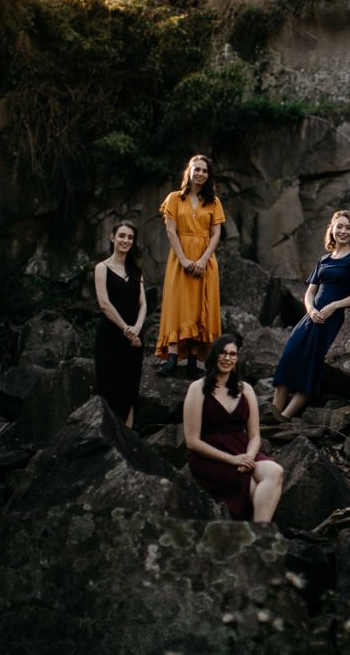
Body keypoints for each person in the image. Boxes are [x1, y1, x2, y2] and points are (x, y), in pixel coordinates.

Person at [272, 211, 350, 419]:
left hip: (330, 321)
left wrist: (334, 306)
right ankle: (272, 413)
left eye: (348, 228)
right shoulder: (324, 259)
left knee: (311, 368)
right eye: (339, 227)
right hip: (311, 318)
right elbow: (310, 292)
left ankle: (284, 419)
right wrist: (311, 310)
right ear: (332, 230)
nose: (343, 231)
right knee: (289, 357)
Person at [183, 335, 283, 521]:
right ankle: (261, 537)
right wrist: (231, 459)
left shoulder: (245, 389)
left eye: (232, 354)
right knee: (252, 488)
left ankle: (261, 535)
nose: (227, 358)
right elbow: (192, 441)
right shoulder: (197, 389)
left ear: (237, 359)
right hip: (211, 457)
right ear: (213, 356)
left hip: (242, 451)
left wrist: (249, 458)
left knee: (275, 471)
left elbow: (254, 436)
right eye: (223, 353)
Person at [155, 154, 225, 377]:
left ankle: (194, 362)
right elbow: (170, 231)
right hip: (180, 259)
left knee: (199, 307)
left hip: (205, 261)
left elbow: (216, 234)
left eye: (205, 171)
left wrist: (203, 259)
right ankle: (172, 359)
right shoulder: (175, 198)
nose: (201, 174)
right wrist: (184, 259)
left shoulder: (213, 202)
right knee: (177, 305)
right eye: (197, 170)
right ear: (189, 172)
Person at [93, 221, 147, 427]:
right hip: (110, 337)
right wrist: (126, 329)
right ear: (112, 237)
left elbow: (143, 304)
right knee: (109, 387)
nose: (126, 240)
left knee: (130, 389)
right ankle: (110, 438)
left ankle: (128, 439)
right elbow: (104, 304)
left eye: (130, 238)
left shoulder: (136, 271)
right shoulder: (102, 268)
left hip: (134, 338)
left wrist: (137, 329)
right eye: (122, 236)